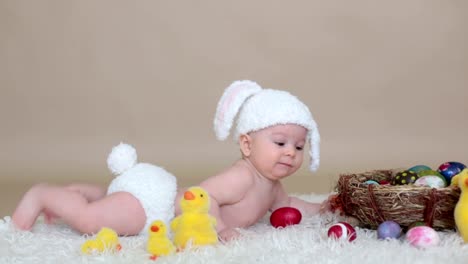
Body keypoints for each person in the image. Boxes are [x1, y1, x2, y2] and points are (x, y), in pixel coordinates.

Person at [12, 80, 329, 241]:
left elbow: (290, 205)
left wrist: (326, 207)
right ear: (247, 144)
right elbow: (203, 198)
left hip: (156, 199)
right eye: (280, 143)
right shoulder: (242, 177)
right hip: (155, 209)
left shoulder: (271, 186)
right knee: (90, 222)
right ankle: (43, 193)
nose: (290, 152)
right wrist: (217, 228)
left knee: (111, 205)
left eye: (300, 147)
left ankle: (92, 192)